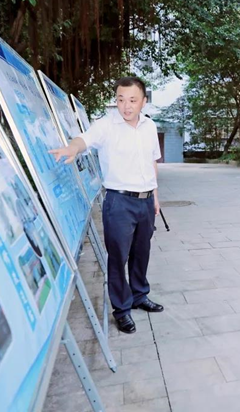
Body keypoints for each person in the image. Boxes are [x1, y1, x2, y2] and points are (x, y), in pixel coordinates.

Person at [49, 76, 164, 334]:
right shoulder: (106, 125)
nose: (126, 106)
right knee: (118, 256)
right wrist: (72, 148)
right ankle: (122, 310)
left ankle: (139, 295)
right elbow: (84, 140)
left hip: (146, 201)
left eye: (132, 100)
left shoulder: (149, 126)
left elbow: (152, 163)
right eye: (121, 100)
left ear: (143, 101)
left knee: (141, 252)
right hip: (119, 202)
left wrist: (155, 196)